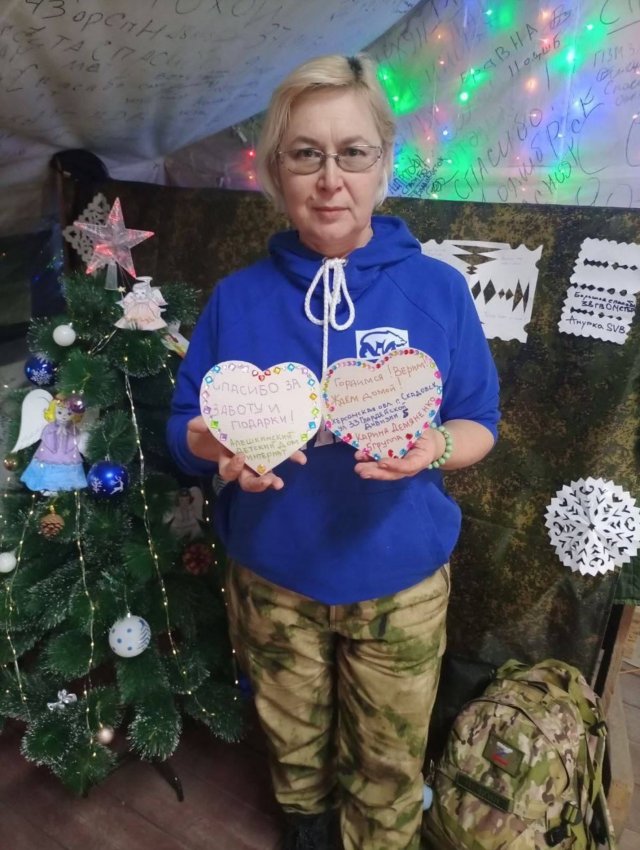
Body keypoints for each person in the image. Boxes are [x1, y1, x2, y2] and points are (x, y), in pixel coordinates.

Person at [167, 53, 500, 850]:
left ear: (383, 164)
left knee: (388, 767)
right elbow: (184, 427)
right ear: (275, 171)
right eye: (305, 154)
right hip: (273, 581)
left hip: (401, 584)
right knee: (294, 753)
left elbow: (481, 422)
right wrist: (221, 448)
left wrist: (433, 446)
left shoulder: (437, 291)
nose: (329, 180)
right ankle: (309, 833)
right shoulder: (238, 298)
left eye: (352, 153)